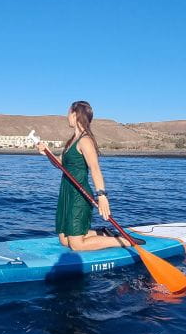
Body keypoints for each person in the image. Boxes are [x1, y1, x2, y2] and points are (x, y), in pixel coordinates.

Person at [36, 101, 135, 251]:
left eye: (68, 113)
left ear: (75, 115)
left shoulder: (85, 140)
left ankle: (123, 241)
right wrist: (47, 153)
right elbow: (61, 165)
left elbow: (95, 169)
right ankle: (101, 233)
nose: (67, 117)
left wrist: (102, 196)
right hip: (67, 192)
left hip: (79, 195)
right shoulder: (72, 141)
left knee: (76, 245)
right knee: (64, 240)